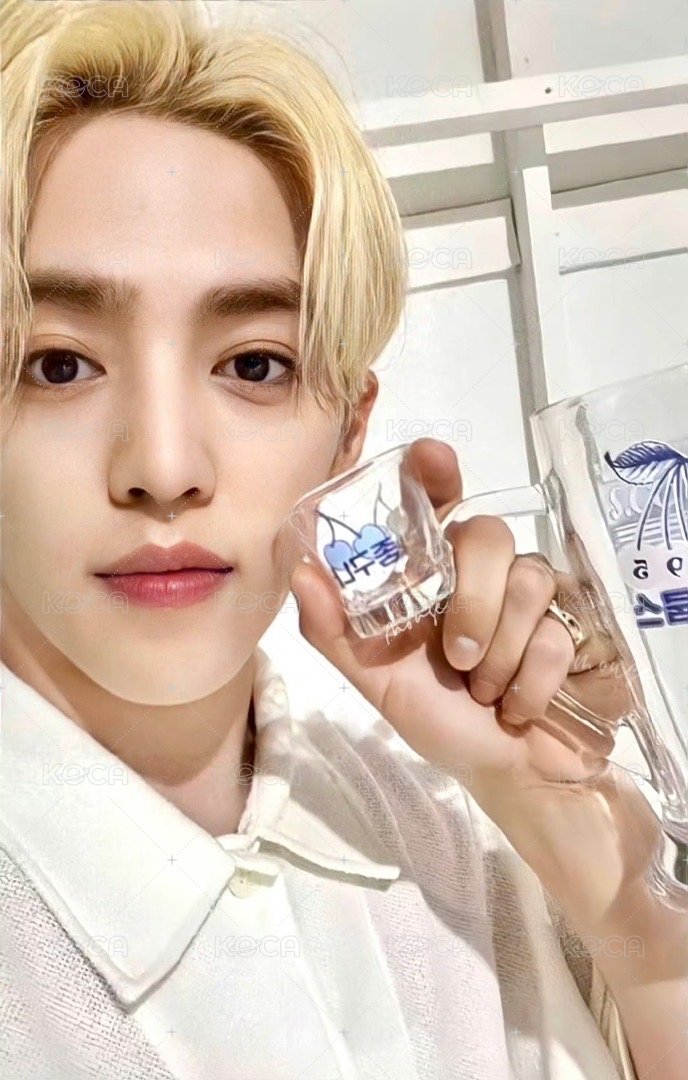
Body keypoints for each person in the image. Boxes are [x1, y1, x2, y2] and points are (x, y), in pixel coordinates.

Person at [0, 2, 684, 1078]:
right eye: (57, 364)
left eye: (254, 364)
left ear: (348, 433)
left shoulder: (465, 838)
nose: (164, 466)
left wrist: (612, 890)